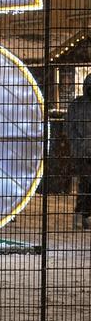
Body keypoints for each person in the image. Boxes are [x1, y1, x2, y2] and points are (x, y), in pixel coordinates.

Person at [67, 74, 91, 230]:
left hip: (82, 149)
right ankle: (81, 214)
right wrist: (79, 144)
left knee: (86, 184)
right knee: (85, 183)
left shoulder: (77, 105)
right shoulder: (77, 105)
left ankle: (84, 215)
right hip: (82, 152)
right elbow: (70, 127)